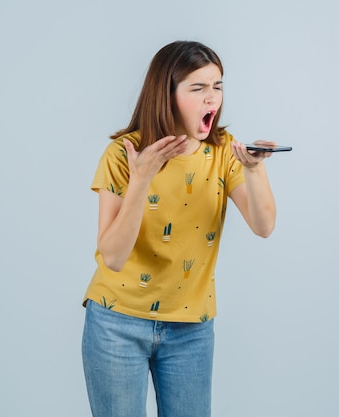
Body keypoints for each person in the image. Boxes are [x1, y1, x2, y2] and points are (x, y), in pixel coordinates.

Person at [81, 40, 278, 417]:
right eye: (198, 88)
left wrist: (255, 169)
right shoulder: (125, 154)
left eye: (217, 86)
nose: (212, 99)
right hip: (116, 324)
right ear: (167, 94)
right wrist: (141, 180)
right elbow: (114, 257)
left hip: (191, 329)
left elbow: (264, 225)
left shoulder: (224, 153)